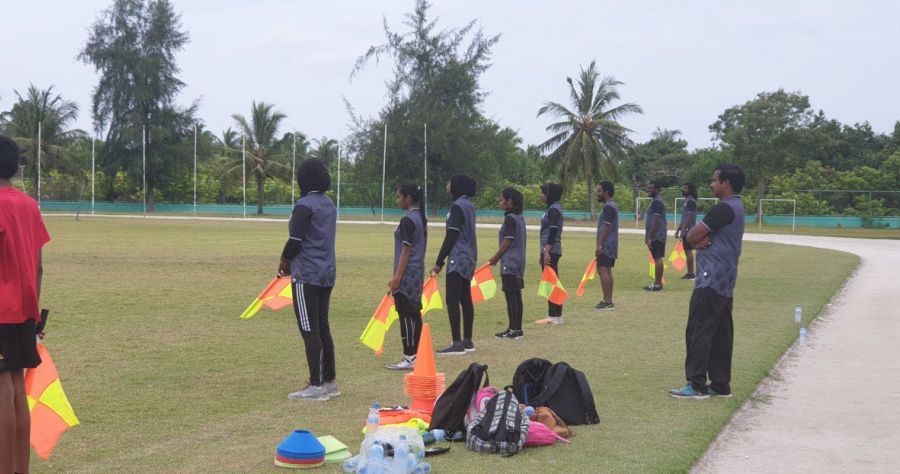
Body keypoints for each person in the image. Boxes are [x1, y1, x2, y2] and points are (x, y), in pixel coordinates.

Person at [668, 164, 746, 399]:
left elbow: (689, 236)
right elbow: (694, 238)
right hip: (725, 280)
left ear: (726, 184)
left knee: (698, 330)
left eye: (714, 180)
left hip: (710, 280)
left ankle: (697, 384)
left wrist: (696, 238)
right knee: (722, 333)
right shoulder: (737, 207)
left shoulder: (723, 208)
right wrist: (698, 239)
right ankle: (721, 384)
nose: (711, 185)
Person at [0, 136, 50, 474]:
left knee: (4, 391)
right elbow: (38, 264)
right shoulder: (28, 204)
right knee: (17, 388)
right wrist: (33, 311)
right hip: (24, 311)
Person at [278, 159, 338, 401]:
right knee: (322, 326)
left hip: (306, 275)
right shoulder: (328, 204)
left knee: (309, 328)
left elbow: (295, 240)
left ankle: (316, 385)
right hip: (326, 273)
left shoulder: (304, 205)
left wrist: (283, 262)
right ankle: (330, 381)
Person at [431, 174, 478, 355]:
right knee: (465, 298)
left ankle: (457, 343)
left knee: (452, 298)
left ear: (456, 185)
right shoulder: (469, 205)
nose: (447, 184)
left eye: (449, 181)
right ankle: (467, 340)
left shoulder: (457, 206)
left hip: (457, 257)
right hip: (469, 256)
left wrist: (439, 261)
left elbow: (451, 234)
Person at [386, 184, 427, 370]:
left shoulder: (408, 220)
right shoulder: (420, 218)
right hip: (417, 272)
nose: (397, 200)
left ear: (408, 198)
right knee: (414, 313)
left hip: (407, 274)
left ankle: (410, 357)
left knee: (406, 314)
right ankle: (417, 354)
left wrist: (397, 277)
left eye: (399, 196)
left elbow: (406, 249)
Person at [489, 188, 526, 339]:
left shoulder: (510, 218)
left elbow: (508, 240)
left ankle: (514, 330)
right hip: (518, 261)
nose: (500, 202)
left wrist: (495, 258)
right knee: (515, 295)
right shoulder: (519, 218)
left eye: (501, 199)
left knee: (511, 296)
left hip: (510, 262)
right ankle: (515, 327)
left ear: (509, 202)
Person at [535, 182, 565, 325]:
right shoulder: (553, 208)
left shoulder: (553, 209)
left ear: (549, 194)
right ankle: (557, 314)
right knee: (552, 281)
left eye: (542, 192)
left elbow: (552, 230)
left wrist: (546, 250)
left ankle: (553, 315)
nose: (540, 195)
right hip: (552, 249)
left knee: (550, 282)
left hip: (550, 250)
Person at [593, 181, 618, 311]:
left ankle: (607, 301)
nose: (597, 194)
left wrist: (599, 244)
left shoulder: (609, 206)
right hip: (611, 244)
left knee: (603, 270)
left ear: (606, 192)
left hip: (607, 244)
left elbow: (607, 227)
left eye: (599, 191)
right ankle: (608, 300)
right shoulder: (611, 205)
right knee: (607, 270)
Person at [644, 181, 667, 291]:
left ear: (657, 190)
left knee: (657, 258)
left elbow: (656, 220)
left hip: (657, 235)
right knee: (656, 257)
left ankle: (658, 284)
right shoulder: (655, 201)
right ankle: (657, 283)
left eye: (651, 188)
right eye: (648, 187)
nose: (648, 189)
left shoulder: (657, 202)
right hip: (656, 235)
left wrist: (650, 237)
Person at [674, 183, 698, 279]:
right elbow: (684, 218)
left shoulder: (691, 201)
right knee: (687, 251)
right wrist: (678, 229)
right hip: (685, 229)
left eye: (685, 188)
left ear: (690, 189)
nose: (683, 189)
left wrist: (685, 228)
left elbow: (689, 216)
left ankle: (691, 273)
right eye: (682, 187)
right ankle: (690, 272)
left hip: (689, 230)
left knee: (688, 251)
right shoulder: (687, 201)